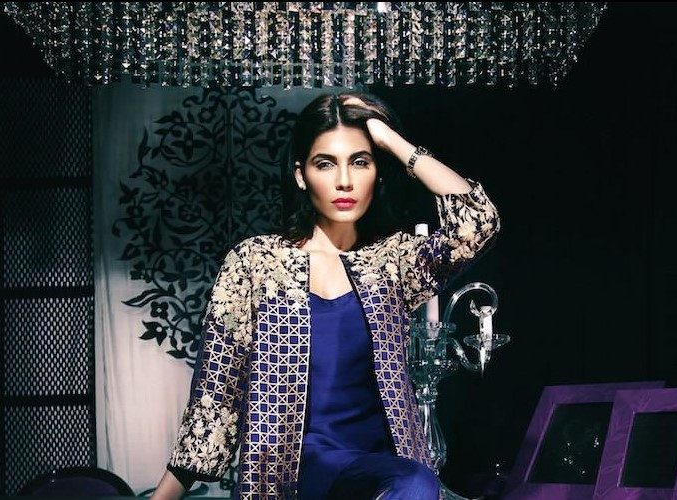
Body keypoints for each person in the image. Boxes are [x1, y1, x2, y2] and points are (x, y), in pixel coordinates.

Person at [151, 91, 500, 500]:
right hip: (290, 471)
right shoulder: (256, 263)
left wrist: (392, 142)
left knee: (417, 482)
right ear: (301, 175)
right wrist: (164, 495)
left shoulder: (392, 262)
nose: (344, 181)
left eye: (360, 162)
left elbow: (479, 223)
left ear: (378, 172)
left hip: (385, 471)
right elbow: (217, 394)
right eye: (325, 164)